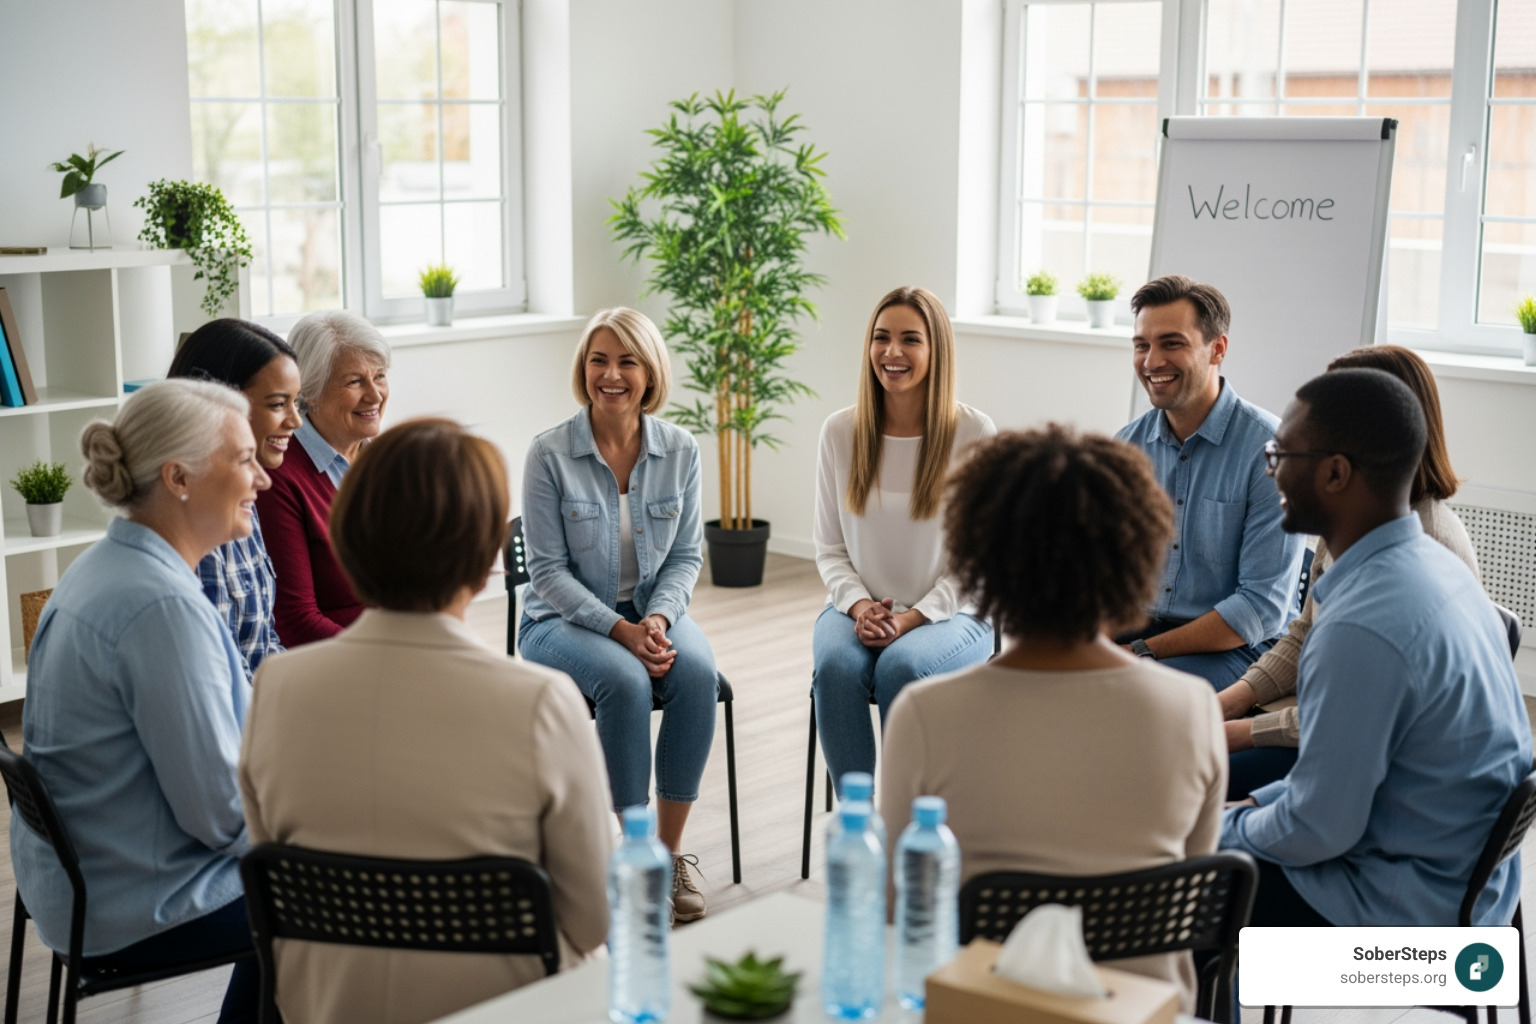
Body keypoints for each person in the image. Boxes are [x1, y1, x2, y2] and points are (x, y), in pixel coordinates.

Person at [240, 418, 611, 1024]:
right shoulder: (541, 703)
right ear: (487, 559)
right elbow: (592, 919)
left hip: (330, 1006)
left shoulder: (275, 690)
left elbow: (271, 880)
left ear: (348, 539)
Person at [879, 426, 1224, 1012]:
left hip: (979, 1010)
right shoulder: (1193, 710)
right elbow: (1190, 895)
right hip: (1139, 1011)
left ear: (980, 557)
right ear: (1134, 554)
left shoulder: (926, 715)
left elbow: (896, 911)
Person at [1221, 368, 1531, 931]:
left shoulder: (1362, 627)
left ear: (1336, 473)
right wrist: (1254, 808)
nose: (1271, 472)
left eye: (1279, 455)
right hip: (1464, 884)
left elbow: (1317, 830)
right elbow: (1339, 782)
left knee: (1174, 879)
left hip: (1409, 927)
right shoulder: (1434, 566)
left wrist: (1214, 826)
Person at [11, 380, 268, 1024]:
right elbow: (222, 819)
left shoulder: (103, 566)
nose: (262, 478)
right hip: (136, 906)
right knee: (342, 894)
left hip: (83, 882)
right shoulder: (160, 608)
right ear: (178, 478)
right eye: (244, 459)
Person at [519, 307, 718, 922]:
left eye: (627, 361)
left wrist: (657, 619)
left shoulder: (680, 450)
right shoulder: (549, 453)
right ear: (583, 369)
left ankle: (667, 852)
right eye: (598, 360)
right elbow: (546, 572)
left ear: (649, 372)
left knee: (697, 675)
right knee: (626, 681)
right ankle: (630, 859)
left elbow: (686, 555)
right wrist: (621, 631)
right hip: (558, 621)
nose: (611, 374)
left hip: (650, 612)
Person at [1220, 345, 1481, 798]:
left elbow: (1356, 726)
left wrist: (1243, 735)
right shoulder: (1352, 515)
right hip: (1327, 728)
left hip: (1366, 760)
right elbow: (1304, 633)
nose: (1273, 472)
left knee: (1191, 780)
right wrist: (1230, 701)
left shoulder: (1421, 553)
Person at [813, 286, 996, 795]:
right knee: (835, 668)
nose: (892, 352)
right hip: (855, 608)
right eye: (881, 338)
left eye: (910, 339)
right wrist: (861, 608)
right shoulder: (840, 432)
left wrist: (911, 619)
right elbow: (830, 550)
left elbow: (976, 564)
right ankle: (859, 819)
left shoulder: (973, 433)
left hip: (955, 613)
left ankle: (907, 818)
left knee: (903, 666)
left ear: (937, 350)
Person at [1114, 274, 1304, 689]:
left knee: (1133, 695)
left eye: (1171, 343)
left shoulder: (1271, 451)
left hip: (1235, 646)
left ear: (1217, 348)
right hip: (1137, 629)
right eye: (1141, 345)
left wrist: (1140, 651)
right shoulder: (1125, 448)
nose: (1151, 362)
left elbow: (1260, 606)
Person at [167, 318, 302, 682]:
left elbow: (263, 642)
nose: (296, 421)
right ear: (219, 405)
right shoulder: (194, 524)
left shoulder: (243, 499)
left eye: (296, 403)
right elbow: (219, 675)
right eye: (278, 404)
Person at [256, 310, 390, 646]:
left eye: (380, 376)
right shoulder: (279, 476)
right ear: (310, 391)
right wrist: (386, 658)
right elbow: (295, 621)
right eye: (355, 381)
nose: (375, 395)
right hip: (345, 659)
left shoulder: (385, 459)